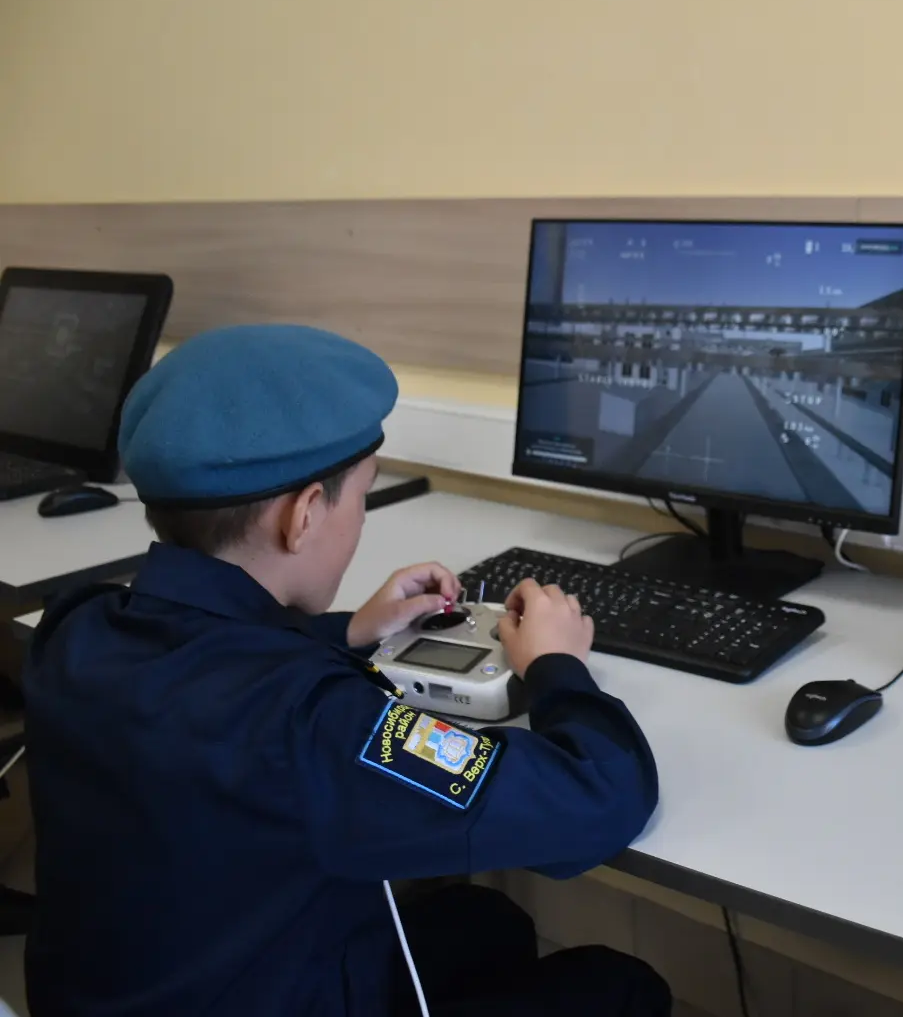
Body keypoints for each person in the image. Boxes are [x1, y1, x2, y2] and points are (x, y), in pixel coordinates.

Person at [23, 324, 670, 1017]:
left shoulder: (77, 627)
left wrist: (349, 633)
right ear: (303, 515)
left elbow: (215, 665)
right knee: (621, 986)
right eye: (362, 496)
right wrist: (555, 663)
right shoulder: (315, 723)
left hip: (147, 985)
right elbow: (599, 801)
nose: (360, 519)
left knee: (488, 921)